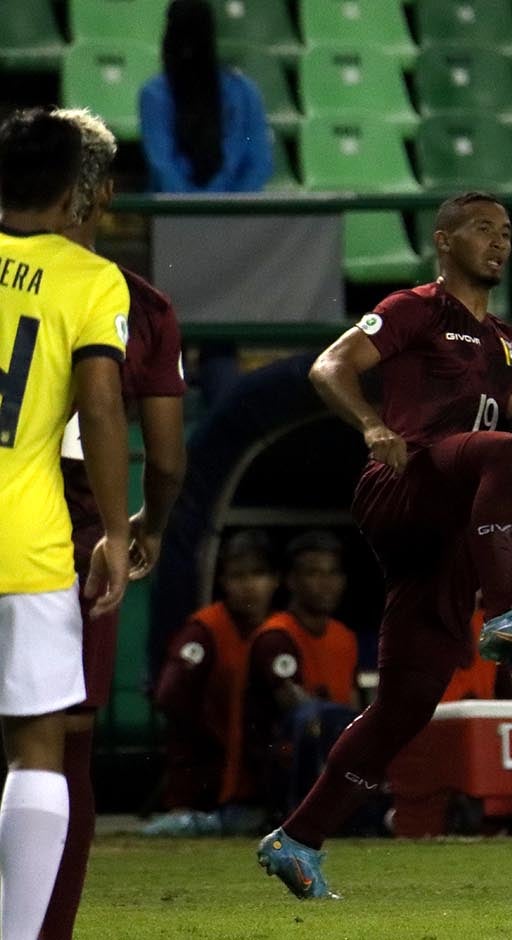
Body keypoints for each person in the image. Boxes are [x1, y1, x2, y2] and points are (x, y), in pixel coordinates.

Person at [257, 191, 512, 900]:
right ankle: (503, 613)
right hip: (402, 483)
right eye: (483, 229)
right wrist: (370, 424)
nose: (500, 242)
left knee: (408, 702)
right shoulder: (414, 308)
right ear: (443, 240)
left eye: (508, 232)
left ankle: (298, 839)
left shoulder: (511, 342)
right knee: (491, 452)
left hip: (452, 533)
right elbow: (328, 366)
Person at [42, 107, 188, 940]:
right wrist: (144, 525)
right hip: (73, 521)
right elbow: (162, 459)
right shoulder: (136, 303)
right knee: (63, 744)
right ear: (103, 195)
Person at [0, 107, 131, 940]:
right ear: (75, 190)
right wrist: (115, 529)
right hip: (30, 541)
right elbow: (103, 406)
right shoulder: (90, 280)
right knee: (37, 748)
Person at [148, 530, 279, 834]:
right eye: (237, 576)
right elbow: (168, 696)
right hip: (205, 787)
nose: (249, 586)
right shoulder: (205, 630)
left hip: (259, 782)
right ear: (223, 582)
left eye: (258, 574)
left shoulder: (279, 631)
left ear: (275, 579)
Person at [237, 532, 361, 817]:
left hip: (334, 760)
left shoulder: (344, 638)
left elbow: (353, 706)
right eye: (314, 573)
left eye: (332, 573)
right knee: (311, 719)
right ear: (291, 580)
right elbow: (298, 710)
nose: (325, 583)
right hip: (280, 771)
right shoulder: (276, 636)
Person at [139, 0, 271, 194]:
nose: (188, 50)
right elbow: (163, 165)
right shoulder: (154, 95)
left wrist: (226, 209)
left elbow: (259, 163)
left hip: (237, 214)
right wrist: (197, 209)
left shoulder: (244, 93)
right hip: (175, 215)